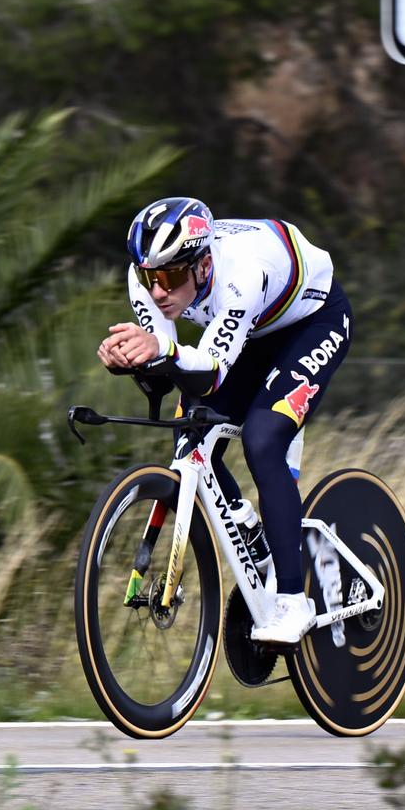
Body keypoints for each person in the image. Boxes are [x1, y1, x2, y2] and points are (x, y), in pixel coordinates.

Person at [98, 196, 349, 644]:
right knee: (190, 432)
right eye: (149, 277)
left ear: (202, 265)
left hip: (313, 322)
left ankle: (293, 600)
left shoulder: (241, 274)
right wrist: (131, 360)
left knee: (263, 438)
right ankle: (250, 529)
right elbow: (168, 365)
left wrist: (161, 352)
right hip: (252, 332)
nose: (158, 292)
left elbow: (210, 374)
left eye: (172, 277)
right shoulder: (150, 277)